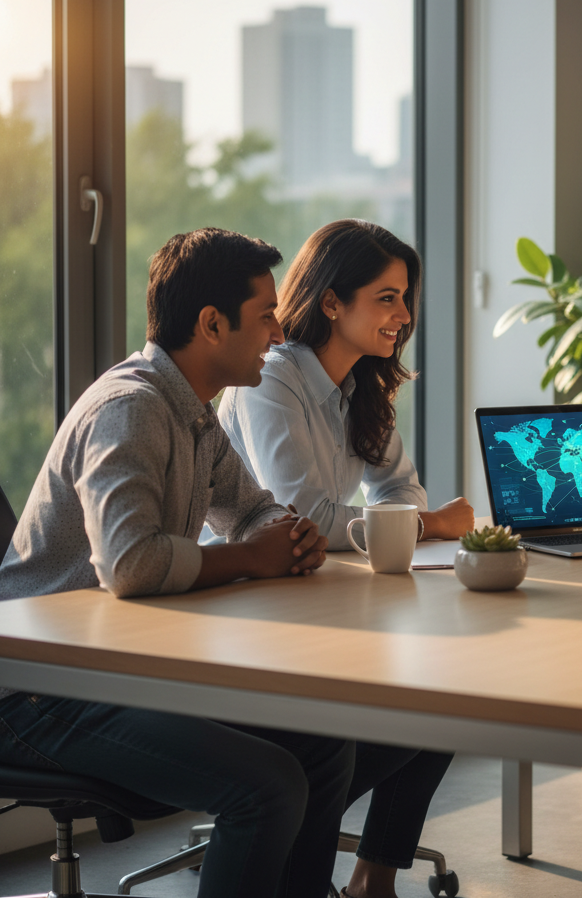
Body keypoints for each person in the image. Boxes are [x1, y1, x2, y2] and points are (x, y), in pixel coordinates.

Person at [0, 228, 354, 898]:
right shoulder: (131, 409)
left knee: (325, 743)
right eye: (265, 318)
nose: (278, 335)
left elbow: (249, 509)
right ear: (211, 324)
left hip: (115, 672)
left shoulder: (193, 413)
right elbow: (130, 565)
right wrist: (253, 556)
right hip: (39, 694)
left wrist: (290, 534)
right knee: (268, 787)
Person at [219, 219, 472, 898]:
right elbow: (307, 516)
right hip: (247, 610)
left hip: (317, 590)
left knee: (441, 703)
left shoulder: (362, 385)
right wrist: (424, 524)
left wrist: (409, 518)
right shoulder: (270, 379)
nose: (404, 314)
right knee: (357, 735)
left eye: (405, 297)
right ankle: (290, 842)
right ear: (332, 302)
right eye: (386, 297)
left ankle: (372, 880)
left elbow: (396, 488)